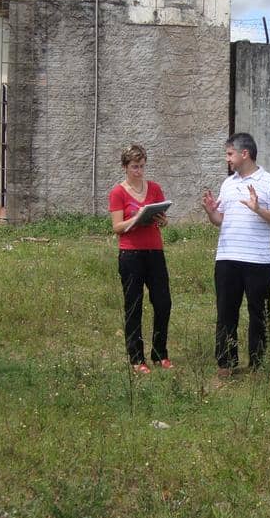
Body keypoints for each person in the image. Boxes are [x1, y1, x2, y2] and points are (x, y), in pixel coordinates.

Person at [201, 133, 270, 375]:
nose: (227, 159)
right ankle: (225, 365)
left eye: (229, 154)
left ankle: (258, 365)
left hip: (259, 262)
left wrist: (258, 208)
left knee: (259, 315)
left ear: (244, 154)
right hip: (227, 260)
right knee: (225, 313)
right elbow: (221, 221)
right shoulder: (228, 184)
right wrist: (211, 213)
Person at [109, 144, 173, 374]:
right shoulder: (118, 192)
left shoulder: (154, 188)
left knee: (163, 302)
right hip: (131, 253)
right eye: (135, 167)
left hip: (154, 251)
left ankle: (160, 353)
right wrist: (135, 218)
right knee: (134, 305)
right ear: (125, 167)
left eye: (142, 166)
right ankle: (136, 358)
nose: (139, 171)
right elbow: (117, 227)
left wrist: (161, 220)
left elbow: (163, 219)